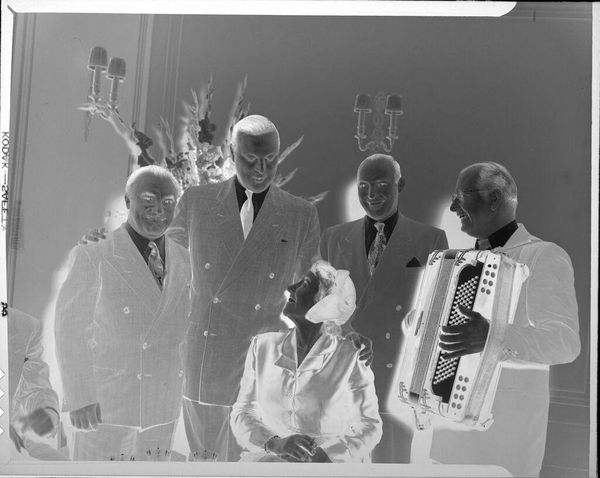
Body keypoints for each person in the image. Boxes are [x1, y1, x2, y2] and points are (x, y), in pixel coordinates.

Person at [167, 114, 325, 461]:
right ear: (232, 153)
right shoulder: (196, 202)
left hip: (262, 366)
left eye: (270, 159)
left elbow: (311, 293)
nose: (261, 169)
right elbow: (166, 273)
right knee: (207, 464)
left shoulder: (300, 214)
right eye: (250, 159)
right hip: (206, 362)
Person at [425, 161, 581, 477]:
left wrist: (493, 337)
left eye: (461, 197)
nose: (453, 207)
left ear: (495, 199)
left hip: (504, 445)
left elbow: (565, 342)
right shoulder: (457, 263)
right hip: (448, 442)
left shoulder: (543, 255)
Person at [55, 165, 191, 461]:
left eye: (168, 202)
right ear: (129, 201)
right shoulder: (96, 251)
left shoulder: (184, 259)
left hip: (162, 407)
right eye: (148, 199)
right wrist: (80, 397)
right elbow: (70, 328)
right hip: (108, 407)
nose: (159, 210)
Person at [320, 154, 448, 463]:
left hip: (396, 381)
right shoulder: (333, 238)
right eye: (364, 186)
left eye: (381, 185)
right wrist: (346, 334)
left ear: (399, 185)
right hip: (345, 373)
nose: (372, 195)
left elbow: (437, 314)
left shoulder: (430, 239)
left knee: (390, 464)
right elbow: (321, 306)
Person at [230, 260, 382, 462]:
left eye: (304, 284)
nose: (290, 288)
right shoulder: (262, 347)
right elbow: (242, 412)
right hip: (267, 464)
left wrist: (324, 456)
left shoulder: (351, 356)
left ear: (324, 303)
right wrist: (275, 444)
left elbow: (369, 426)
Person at [8, 307, 65, 460]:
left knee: (68, 467)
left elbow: (36, 386)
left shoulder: (24, 325)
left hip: (17, 441)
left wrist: (47, 411)